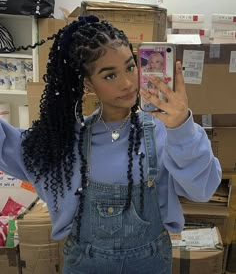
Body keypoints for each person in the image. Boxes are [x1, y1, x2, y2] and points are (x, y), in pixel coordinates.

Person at [0, 15, 221, 274]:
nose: (127, 83)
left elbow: (203, 190)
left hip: (149, 263)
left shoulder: (165, 130)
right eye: (109, 75)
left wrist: (182, 126)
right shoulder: (65, 142)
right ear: (87, 83)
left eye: (130, 67)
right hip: (86, 265)